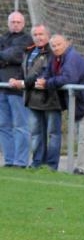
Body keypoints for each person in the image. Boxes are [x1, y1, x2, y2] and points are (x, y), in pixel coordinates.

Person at [35, 34, 84, 176]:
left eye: (59, 44)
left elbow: (69, 78)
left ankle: (81, 170)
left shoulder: (72, 57)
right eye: (53, 45)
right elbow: (48, 72)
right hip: (79, 102)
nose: (56, 48)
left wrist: (47, 83)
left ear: (66, 43)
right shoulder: (55, 58)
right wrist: (42, 80)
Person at [8, 24, 63, 170]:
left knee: (53, 133)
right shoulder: (29, 51)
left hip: (50, 99)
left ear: (48, 36)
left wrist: (23, 83)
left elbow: (40, 73)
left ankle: (51, 166)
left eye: (41, 34)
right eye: (36, 35)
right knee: (36, 133)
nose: (38, 37)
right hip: (32, 98)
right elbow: (24, 70)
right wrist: (16, 79)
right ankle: (37, 163)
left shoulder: (53, 52)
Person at [0, 11, 33, 168]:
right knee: (3, 125)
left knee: (21, 126)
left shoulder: (27, 39)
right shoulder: (3, 38)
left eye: (18, 22)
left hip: (17, 89)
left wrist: (6, 58)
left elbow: (16, 55)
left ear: (23, 24)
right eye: (13, 22)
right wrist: (6, 58)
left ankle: (20, 162)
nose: (15, 24)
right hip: (2, 88)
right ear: (8, 23)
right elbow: (7, 56)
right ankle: (9, 160)